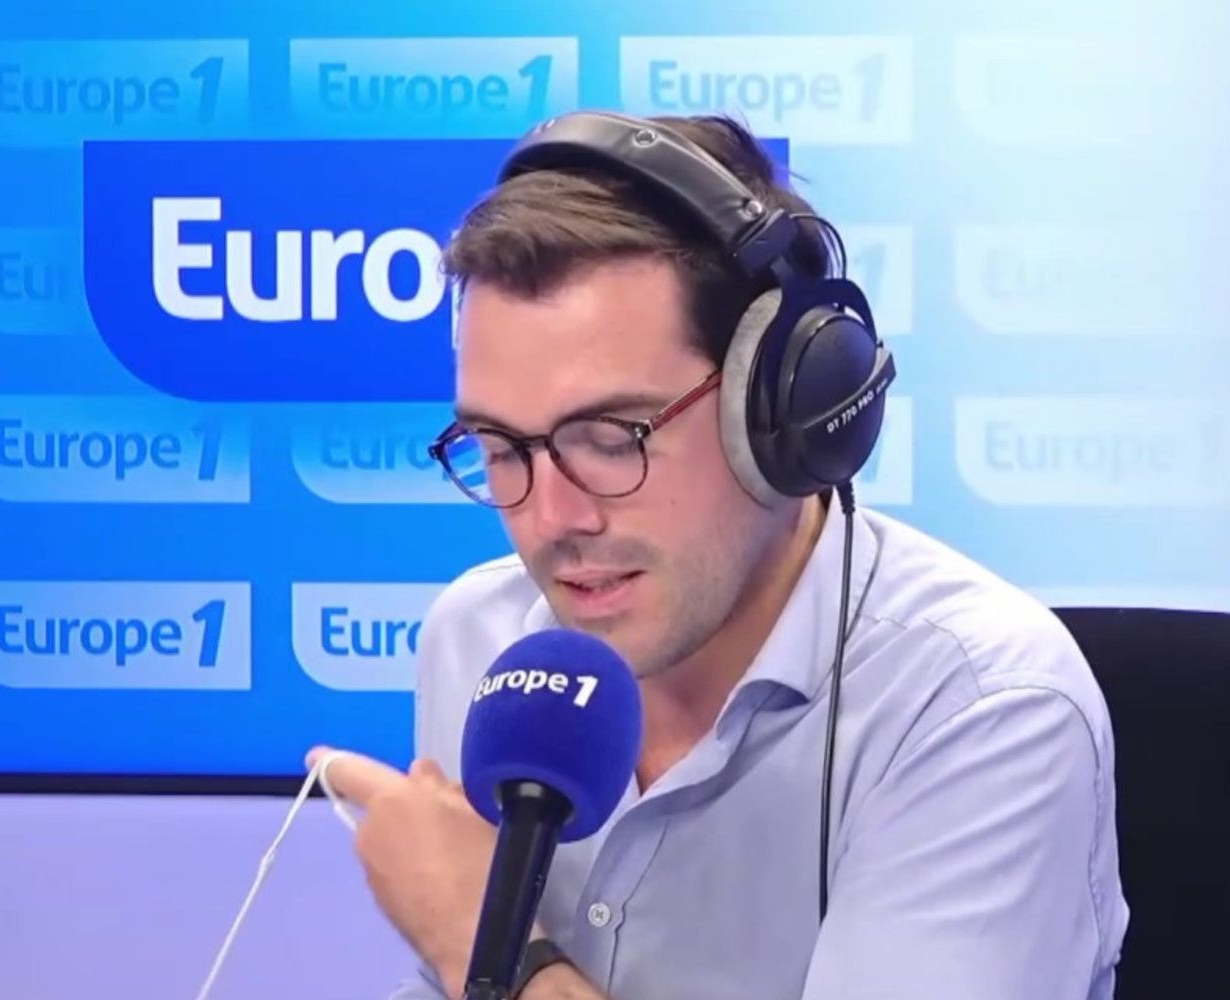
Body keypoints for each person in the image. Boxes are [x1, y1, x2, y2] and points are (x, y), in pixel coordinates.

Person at [311, 110, 1128, 1000]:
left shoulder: (982, 708)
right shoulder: (481, 640)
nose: (551, 519)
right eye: (500, 448)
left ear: (777, 415)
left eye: (613, 439)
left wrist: (488, 943)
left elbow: (471, 948)